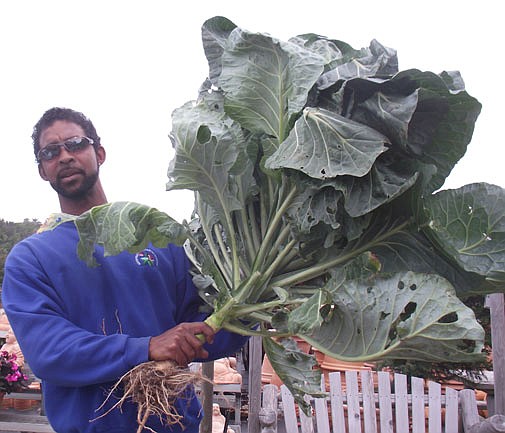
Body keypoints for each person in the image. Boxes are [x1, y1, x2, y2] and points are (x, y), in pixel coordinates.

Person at [1, 107, 247, 433]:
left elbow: (202, 333)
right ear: (43, 170)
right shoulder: (30, 259)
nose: (64, 156)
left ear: (99, 152)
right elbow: (50, 352)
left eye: (75, 144)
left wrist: (250, 310)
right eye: (50, 152)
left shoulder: (159, 239)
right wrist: (144, 348)